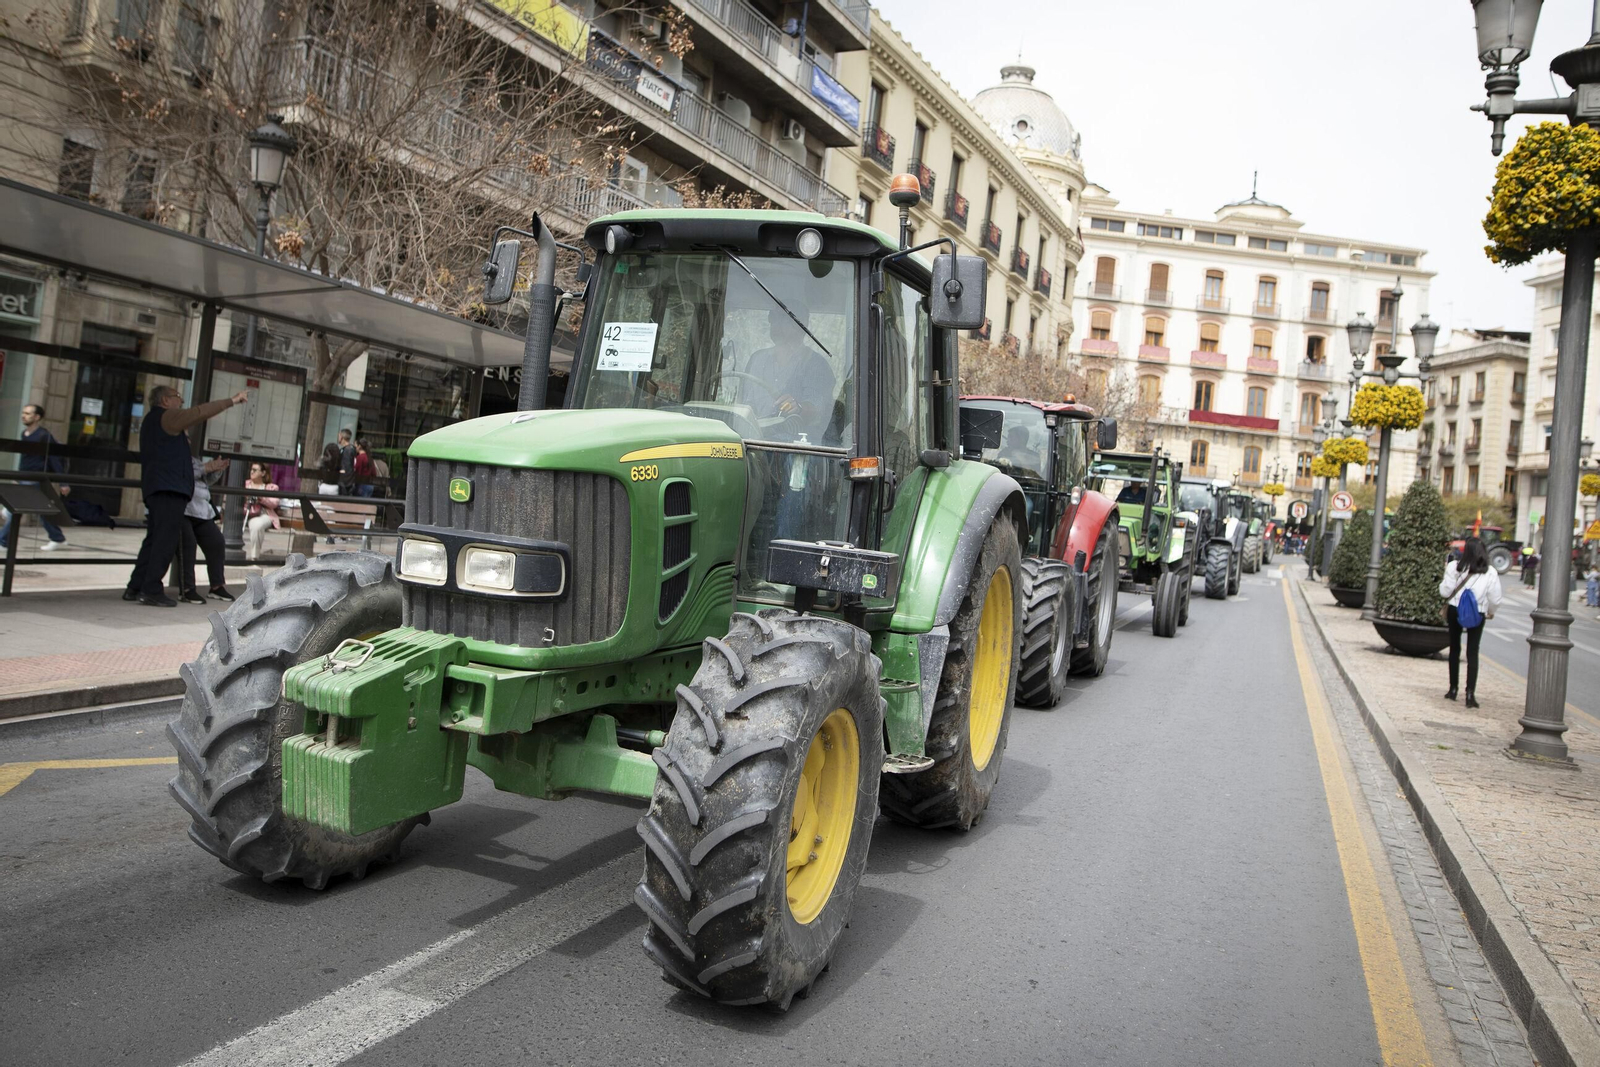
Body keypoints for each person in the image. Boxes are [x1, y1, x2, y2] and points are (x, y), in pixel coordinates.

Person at [124, 385, 247, 606]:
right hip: (168, 490)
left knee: (153, 539)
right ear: (165, 401)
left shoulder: (153, 422)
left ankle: (135, 587)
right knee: (164, 541)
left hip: (159, 488)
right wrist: (232, 400)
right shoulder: (167, 418)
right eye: (177, 397)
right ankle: (151, 589)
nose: (181, 401)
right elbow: (200, 412)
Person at [742, 309, 839, 444]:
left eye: (784, 318)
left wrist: (798, 408)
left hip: (795, 447)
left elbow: (816, 410)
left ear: (801, 324)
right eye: (773, 318)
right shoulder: (757, 359)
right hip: (752, 441)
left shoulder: (816, 365)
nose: (776, 322)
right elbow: (744, 405)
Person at [1439, 537, 1504, 709]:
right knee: (1473, 651)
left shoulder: (1455, 567)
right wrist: (1490, 611)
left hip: (1455, 609)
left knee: (1454, 648)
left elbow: (1445, 591)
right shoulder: (1489, 572)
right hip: (1478, 612)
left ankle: (1453, 689)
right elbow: (1495, 598)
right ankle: (1470, 694)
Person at [0, 403, 69, 552]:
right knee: (41, 511)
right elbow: (25, 458)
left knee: (16, 511)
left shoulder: (44, 435)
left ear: (37, 417)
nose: (24, 415)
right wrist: (18, 476)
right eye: (23, 413)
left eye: (28, 413)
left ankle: (3, 541)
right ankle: (57, 537)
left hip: (36, 478)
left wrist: (63, 482)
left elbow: (54, 459)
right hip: (25, 476)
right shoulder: (24, 434)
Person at [173, 456, 233, 603]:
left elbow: (206, 481)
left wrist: (218, 469)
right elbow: (184, 473)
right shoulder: (175, 456)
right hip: (182, 508)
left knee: (216, 542)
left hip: (202, 510)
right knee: (188, 544)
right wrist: (207, 467)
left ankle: (216, 586)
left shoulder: (195, 459)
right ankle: (187, 589)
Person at [244, 462, 282, 561]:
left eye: (255, 470)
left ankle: (254, 557)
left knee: (257, 525)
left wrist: (261, 498)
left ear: (263, 473)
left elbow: (274, 503)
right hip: (243, 514)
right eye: (251, 469)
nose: (251, 472)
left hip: (263, 515)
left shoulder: (271, 487)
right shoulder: (244, 484)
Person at [338, 429, 357, 496]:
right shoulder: (351, 449)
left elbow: (347, 467)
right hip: (349, 482)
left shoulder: (347, 450)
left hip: (345, 483)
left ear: (342, 437)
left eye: (339, 435)